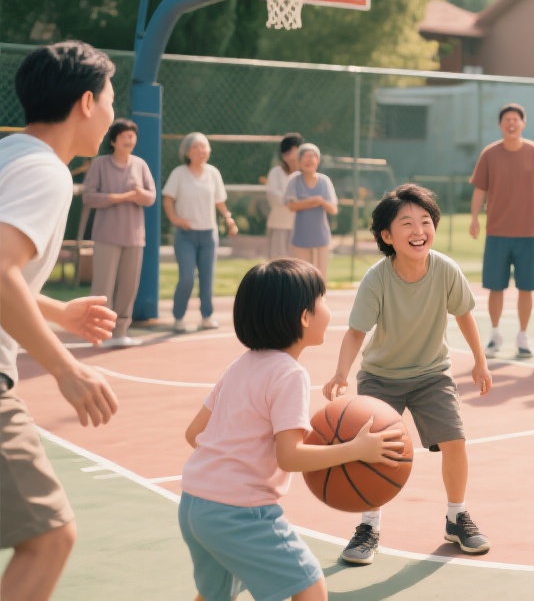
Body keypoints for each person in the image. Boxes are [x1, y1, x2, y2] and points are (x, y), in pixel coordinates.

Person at [179, 259, 404, 601]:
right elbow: (289, 456)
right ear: (304, 317)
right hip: (241, 512)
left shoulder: (239, 366)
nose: (328, 308)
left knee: (213, 596)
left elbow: (194, 433)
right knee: (310, 588)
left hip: (195, 504)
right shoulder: (290, 374)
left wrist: (229, 461)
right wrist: (356, 449)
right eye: (323, 300)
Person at [0, 41, 120, 601]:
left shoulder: (8, 156)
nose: (115, 117)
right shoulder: (44, 173)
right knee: (50, 538)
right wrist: (65, 368)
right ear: (87, 102)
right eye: (112, 102)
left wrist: (58, 312)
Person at [324, 184, 493, 565]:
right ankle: (368, 526)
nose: (419, 230)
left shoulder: (445, 269)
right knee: (375, 449)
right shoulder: (377, 278)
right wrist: (340, 373)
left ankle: (456, 517)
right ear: (387, 236)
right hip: (381, 376)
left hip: (432, 374)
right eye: (407, 223)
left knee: (455, 442)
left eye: (425, 221)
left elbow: (464, 314)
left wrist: (480, 361)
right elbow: (356, 332)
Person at [469, 103, 534, 359]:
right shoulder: (490, 154)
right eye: (507, 120)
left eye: (516, 120)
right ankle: (495, 334)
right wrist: (474, 218)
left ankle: (523, 336)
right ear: (501, 125)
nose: (511, 124)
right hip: (497, 233)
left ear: (523, 123)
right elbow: (479, 189)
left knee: (526, 288)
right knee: (495, 287)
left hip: (528, 234)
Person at [81, 118, 156, 348]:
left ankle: (121, 332)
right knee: (102, 288)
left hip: (134, 237)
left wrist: (139, 194)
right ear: (113, 140)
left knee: (128, 287)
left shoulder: (140, 165)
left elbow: (151, 197)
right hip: (106, 236)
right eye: (125, 135)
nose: (129, 139)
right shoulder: (100, 165)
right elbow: (89, 197)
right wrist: (121, 197)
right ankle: (98, 333)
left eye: (132, 135)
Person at [163, 132, 238, 333]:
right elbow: (168, 198)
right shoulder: (179, 173)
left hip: (208, 234)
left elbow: (219, 201)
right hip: (185, 234)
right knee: (186, 277)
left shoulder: (213, 173)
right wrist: (175, 219)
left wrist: (228, 218)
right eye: (196, 147)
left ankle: (207, 316)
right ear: (187, 151)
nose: (201, 151)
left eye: (204, 147)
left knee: (207, 277)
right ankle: (178, 317)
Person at [285, 142, 337, 281]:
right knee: (301, 277)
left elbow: (333, 209)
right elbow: (291, 206)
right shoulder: (294, 181)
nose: (309, 160)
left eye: (312, 156)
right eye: (305, 156)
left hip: (321, 237)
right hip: (300, 238)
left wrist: (320, 202)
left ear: (318, 161)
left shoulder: (325, 181)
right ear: (299, 161)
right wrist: (315, 201)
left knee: (320, 277)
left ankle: (319, 302)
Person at [266, 132, 304, 260]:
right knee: (278, 262)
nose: (290, 156)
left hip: (302, 227)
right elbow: (274, 197)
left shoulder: (305, 175)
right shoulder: (276, 172)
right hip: (280, 225)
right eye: (286, 153)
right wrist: (294, 202)